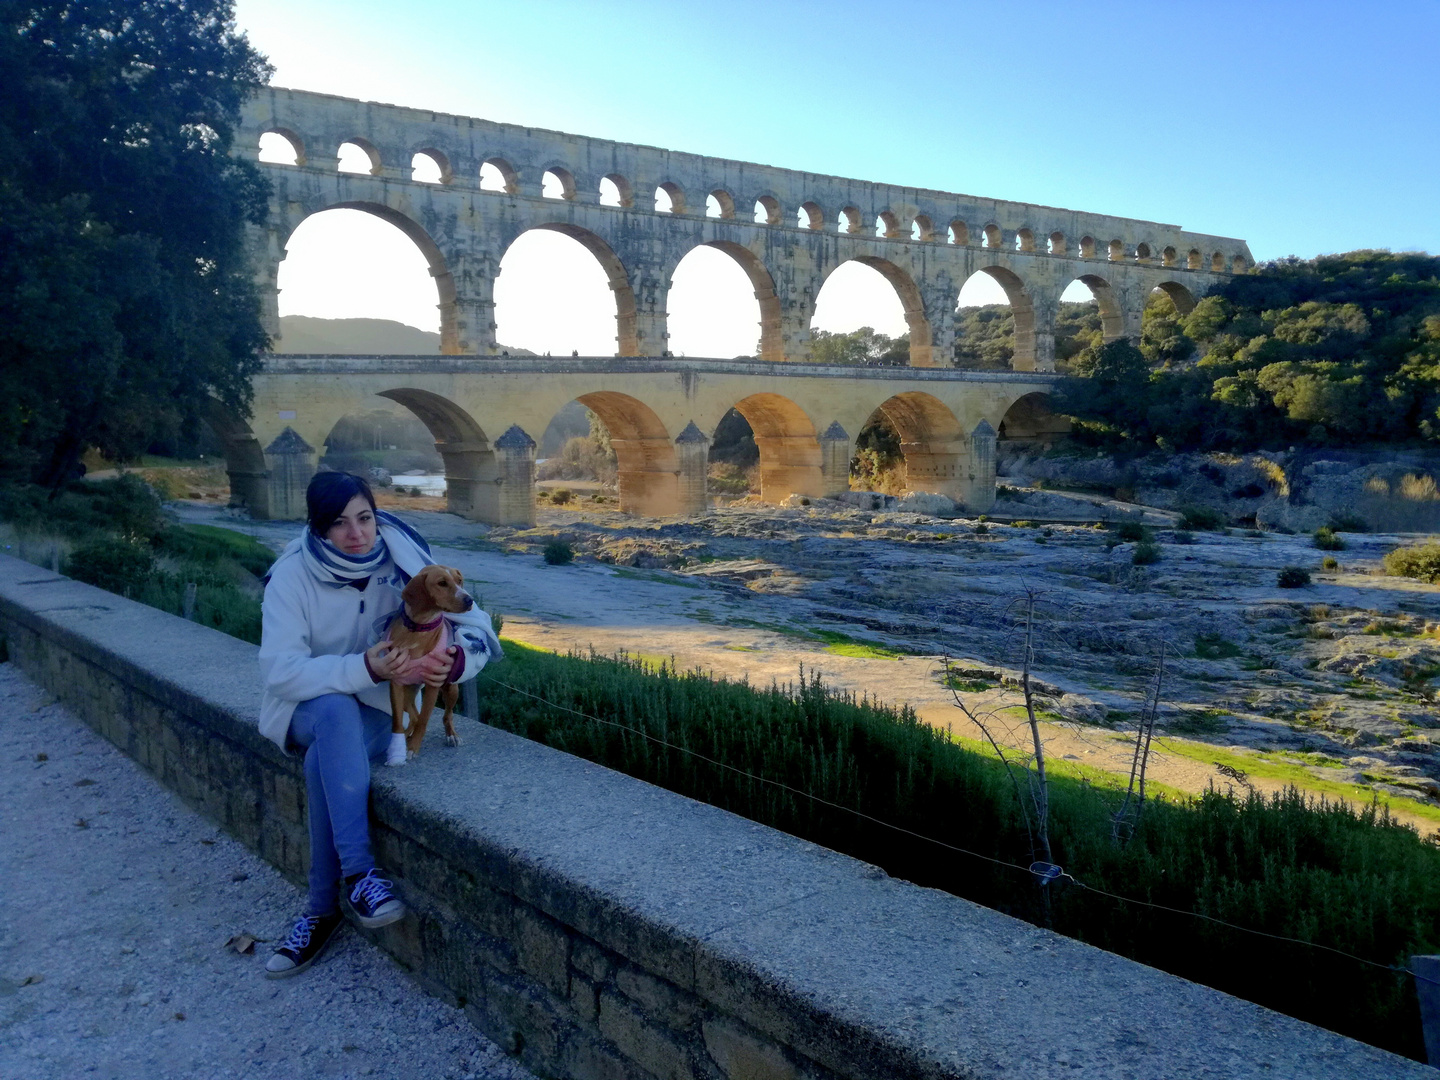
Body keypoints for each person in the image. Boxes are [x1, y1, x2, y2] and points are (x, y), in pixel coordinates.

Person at [256, 472, 502, 978]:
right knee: (331, 708)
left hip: (372, 714)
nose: (357, 534)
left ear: (376, 515)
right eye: (339, 524)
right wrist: (363, 669)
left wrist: (454, 664)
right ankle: (362, 873)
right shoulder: (291, 577)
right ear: (318, 528)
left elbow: (476, 628)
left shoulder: (405, 556)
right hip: (304, 707)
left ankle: (321, 911)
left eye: (365, 518)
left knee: (328, 756)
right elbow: (279, 673)